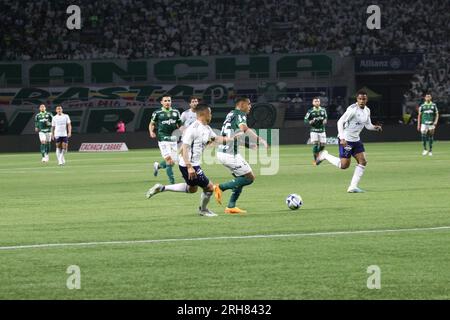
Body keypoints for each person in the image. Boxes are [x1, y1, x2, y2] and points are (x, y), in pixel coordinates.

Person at [146, 104, 234, 217]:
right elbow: (185, 148)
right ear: (204, 114)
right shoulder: (193, 129)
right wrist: (189, 167)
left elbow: (216, 139)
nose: (211, 115)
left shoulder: (206, 128)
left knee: (192, 189)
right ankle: (203, 210)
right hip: (190, 165)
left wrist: (232, 139)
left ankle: (162, 188)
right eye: (210, 113)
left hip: (191, 164)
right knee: (209, 188)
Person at [315, 91, 382, 193]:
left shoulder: (367, 110)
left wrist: (375, 128)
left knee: (363, 161)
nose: (361, 101)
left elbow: (368, 125)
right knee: (344, 165)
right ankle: (325, 155)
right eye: (360, 99)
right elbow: (340, 122)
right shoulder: (352, 110)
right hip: (347, 140)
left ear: (366, 100)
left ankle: (352, 187)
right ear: (357, 99)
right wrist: (342, 138)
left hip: (356, 140)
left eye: (363, 99)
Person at [213, 97, 268, 214]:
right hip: (229, 155)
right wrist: (259, 139)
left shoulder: (231, 114)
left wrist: (249, 145)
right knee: (249, 178)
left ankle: (231, 206)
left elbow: (234, 136)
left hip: (224, 152)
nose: (250, 106)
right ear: (242, 104)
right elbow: (244, 128)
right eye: (249, 104)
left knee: (241, 178)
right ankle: (220, 187)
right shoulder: (240, 114)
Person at [149, 95, 182, 183]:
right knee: (169, 161)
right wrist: (151, 132)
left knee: (173, 160)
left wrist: (184, 132)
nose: (167, 102)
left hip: (173, 139)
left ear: (171, 102)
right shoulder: (157, 113)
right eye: (165, 101)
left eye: (169, 100)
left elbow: (180, 124)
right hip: (163, 138)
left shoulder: (176, 112)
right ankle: (172, 182)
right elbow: (152, 124)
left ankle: (158, 166)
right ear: (162, 102)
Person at [304, 97, 327, 164]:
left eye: (318, 101)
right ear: (313, 103)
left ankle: (318, 156)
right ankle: (315, 160)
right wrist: (310, 121)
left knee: (323, 145)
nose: (317, 102)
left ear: (319, 102)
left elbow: (325, 118)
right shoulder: (310, 111)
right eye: (315, 101)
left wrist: (325, 121)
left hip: (322, 130)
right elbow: (305, 119)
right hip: (314, 130)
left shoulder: (323, 110)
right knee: (315, 145)